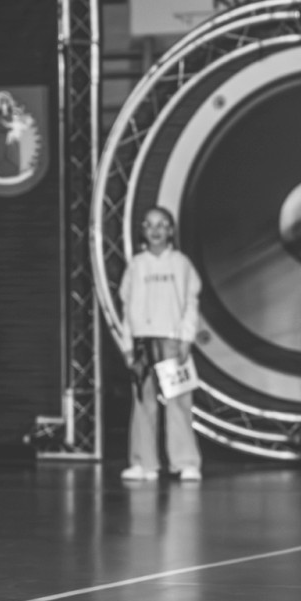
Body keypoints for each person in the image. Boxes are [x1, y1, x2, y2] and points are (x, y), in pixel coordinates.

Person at [118, 206, 203, 483]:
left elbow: (190, 303)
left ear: (170, 230)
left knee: (178, 402)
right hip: (143, 341)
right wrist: (128, 345)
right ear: (143, 230)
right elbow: (127, 308)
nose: (155, 230)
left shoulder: (181, 263)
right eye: (150, 225)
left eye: (161, 224)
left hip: (172, 340)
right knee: (143, 403)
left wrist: (186, 338)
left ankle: (185, 462)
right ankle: (144, 463)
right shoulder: (136, 265)